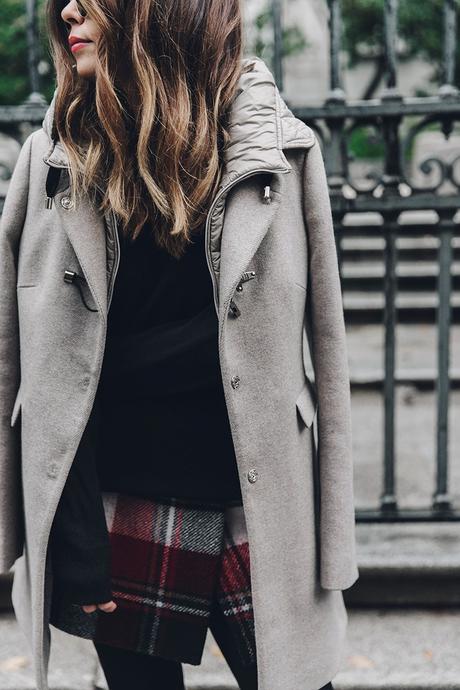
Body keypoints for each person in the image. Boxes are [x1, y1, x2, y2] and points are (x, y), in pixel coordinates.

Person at [0, 0, 359, 689]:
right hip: (118, 504)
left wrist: (331, 537)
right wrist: (72, 532)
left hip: (256, 503)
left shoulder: (276, 151)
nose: (67, 9)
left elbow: (325, 347)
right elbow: (34, 367)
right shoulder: (55, 156)